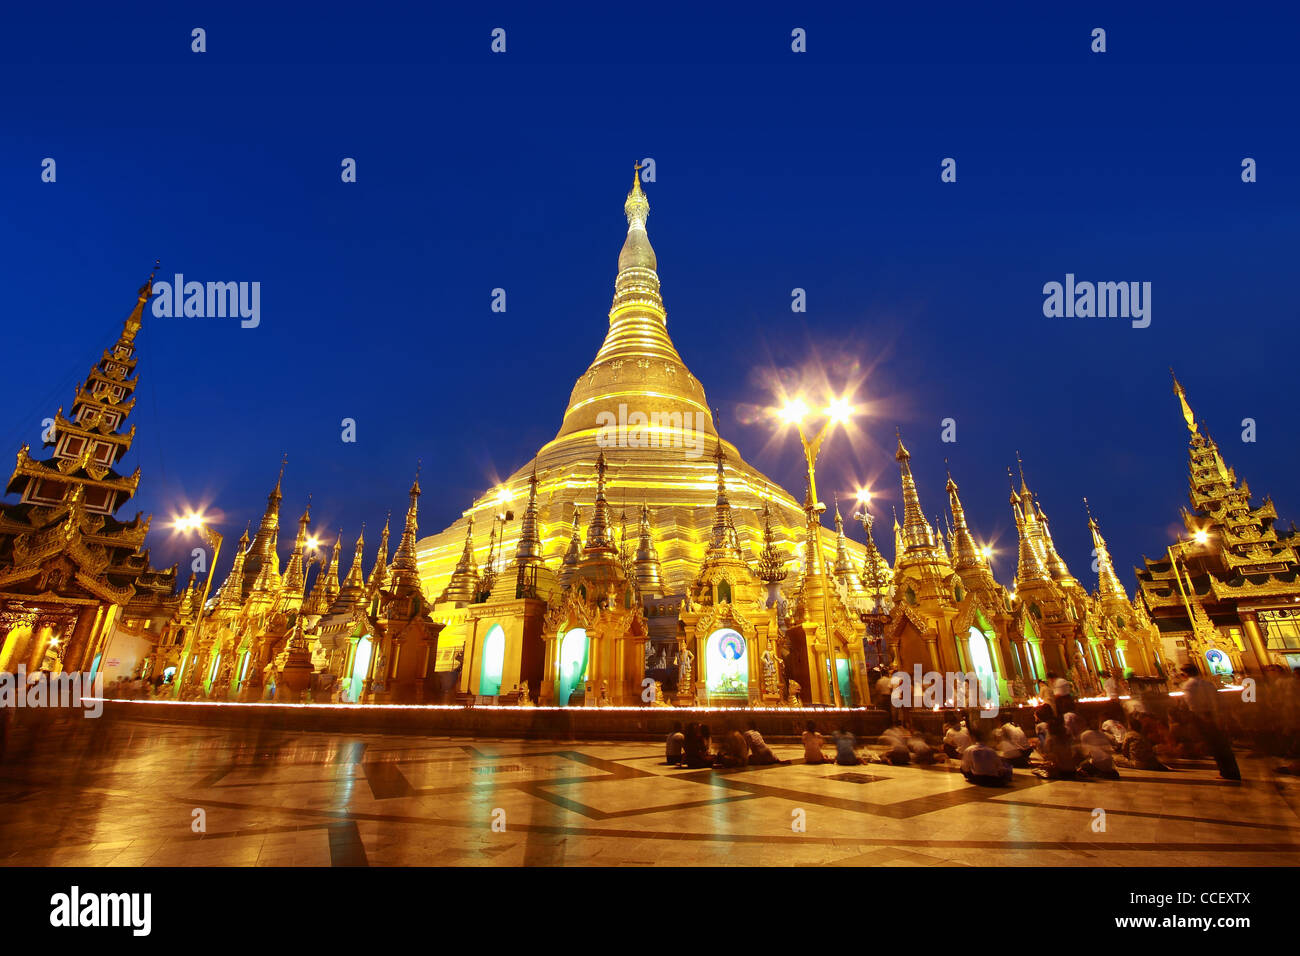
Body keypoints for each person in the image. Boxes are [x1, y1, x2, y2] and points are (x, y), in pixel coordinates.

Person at [1182, 665, 1241, 780]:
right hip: (1215, 715)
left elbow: (1192, 704)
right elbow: (1218, 700)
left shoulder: (1188, 686)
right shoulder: (1208, 684)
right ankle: (1232, 771)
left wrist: (1201, 716)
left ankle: (1225, 772)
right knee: (1222, 745)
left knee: (1214, 745)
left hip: (1203, 716)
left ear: (1185, 674)